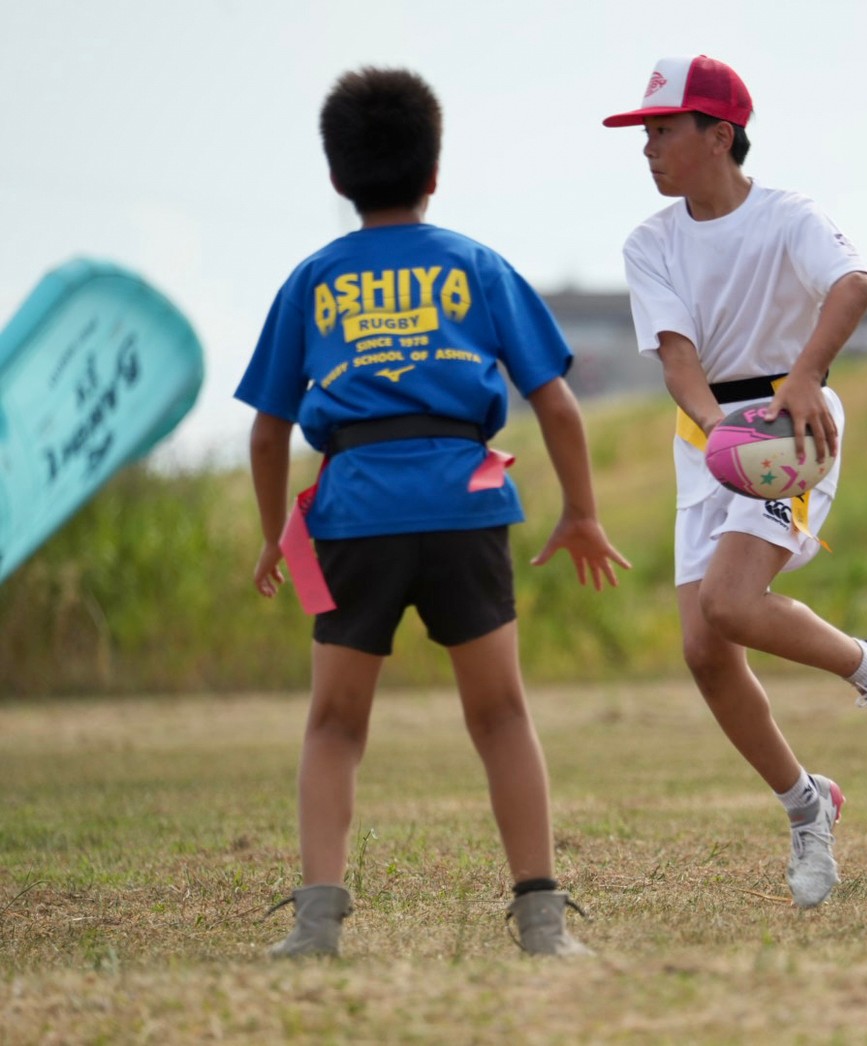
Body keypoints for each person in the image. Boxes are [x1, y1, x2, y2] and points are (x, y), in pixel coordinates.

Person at [238, 66, 629, 958]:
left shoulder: (312, 280)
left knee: (335, 723)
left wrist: (272, 537)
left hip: (355, 510)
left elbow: (266, 434)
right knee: (501, 714)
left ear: (337, 176)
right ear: (434, 172)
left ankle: (316, 926)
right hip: (464, 503)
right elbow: (558, 404)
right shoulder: (475, 265)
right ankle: (541, 921)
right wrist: (582, 512)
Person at [602, 55, 867, 909]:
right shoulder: (650, 243)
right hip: (712, 439)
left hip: (792, 430)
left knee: (730, 603)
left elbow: (854, 284)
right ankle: (807, 804)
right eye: (644, 133)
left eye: (663, 130)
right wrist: (718, 431)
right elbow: (678, 359)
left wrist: (808, 374)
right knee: (705, 652)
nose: (648, 148)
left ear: (719, 135)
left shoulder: (790, 217)